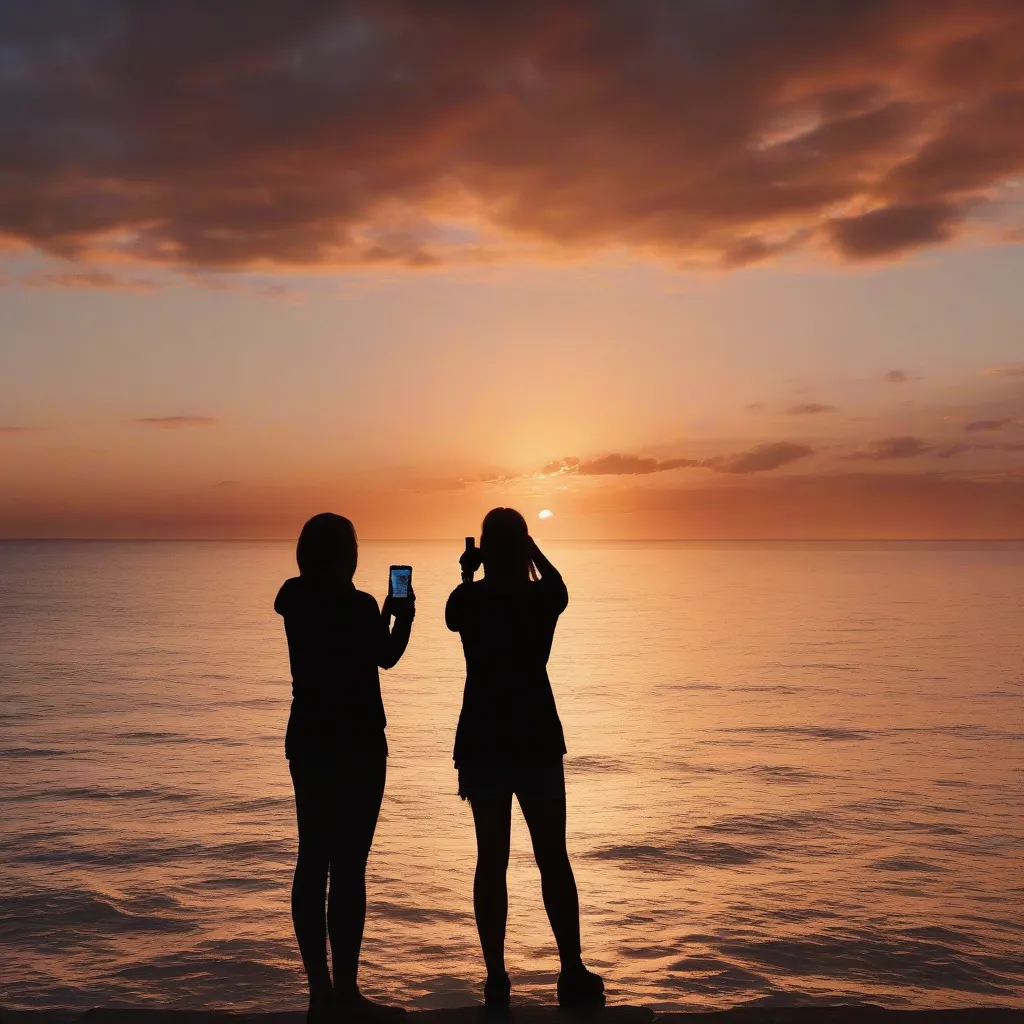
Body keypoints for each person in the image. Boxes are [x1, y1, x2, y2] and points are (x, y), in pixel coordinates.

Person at [446, 508, 605, 1010]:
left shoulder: (470, 599)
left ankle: (496, 977)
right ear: (524, 546)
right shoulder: (541, 599)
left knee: (490, 860)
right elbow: (560, 586)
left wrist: (471, 569)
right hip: (535, 736)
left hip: (483, 741)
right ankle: (571, 970)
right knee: (552, 857)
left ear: (487, 549)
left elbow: (451, 613)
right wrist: (532, 551)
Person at [275, 513, 414, 1023]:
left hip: (309, 741)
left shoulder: (294, 600)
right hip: (357, 744)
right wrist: (403, 615)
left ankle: (320, 993)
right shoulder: (358, 607)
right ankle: (347, 992)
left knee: (312, 859)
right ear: (349, 555)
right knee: (348, 867)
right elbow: (388, 656)